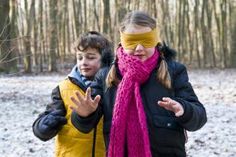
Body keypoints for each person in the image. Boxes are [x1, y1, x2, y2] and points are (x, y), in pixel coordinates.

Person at [70, 11, 207, 157]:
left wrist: (184, 109)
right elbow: (85, 126)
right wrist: (84, 114)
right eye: (132, 41)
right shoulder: (105, 76)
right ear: (122, 41)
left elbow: (199, 117)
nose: (139, 48)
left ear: (155, 39)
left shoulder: (174, 71)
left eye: (146, 40)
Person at [32, 31, 113, 157]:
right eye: (80, 57)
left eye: (90, 57)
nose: (83, 62)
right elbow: (45, 120)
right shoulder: (63, 88)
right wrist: (44, 126)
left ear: (105, 59)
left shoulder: (114, 87)